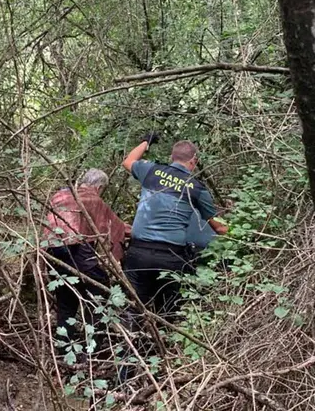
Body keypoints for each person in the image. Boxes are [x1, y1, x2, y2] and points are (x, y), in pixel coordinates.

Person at [121, 134, 228, 321]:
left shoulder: (151, 171)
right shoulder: (197, 188)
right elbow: (219, 228)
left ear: (172, 157)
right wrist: (248, 232)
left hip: (138, 253)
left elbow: (128, 161)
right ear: (194, 160)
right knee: (168, 313)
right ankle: (163, 347)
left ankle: (129, 348)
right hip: (171, 258)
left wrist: (147, 142)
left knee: (134, 309)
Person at [41, 168, 129, 358]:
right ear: (99, 186)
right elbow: (115, 228)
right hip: (79, 254)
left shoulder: (59, 195)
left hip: (54, 255)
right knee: (99, 294)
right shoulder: (94, 200)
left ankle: (65, 350)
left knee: (66, 303)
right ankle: (94, 349)